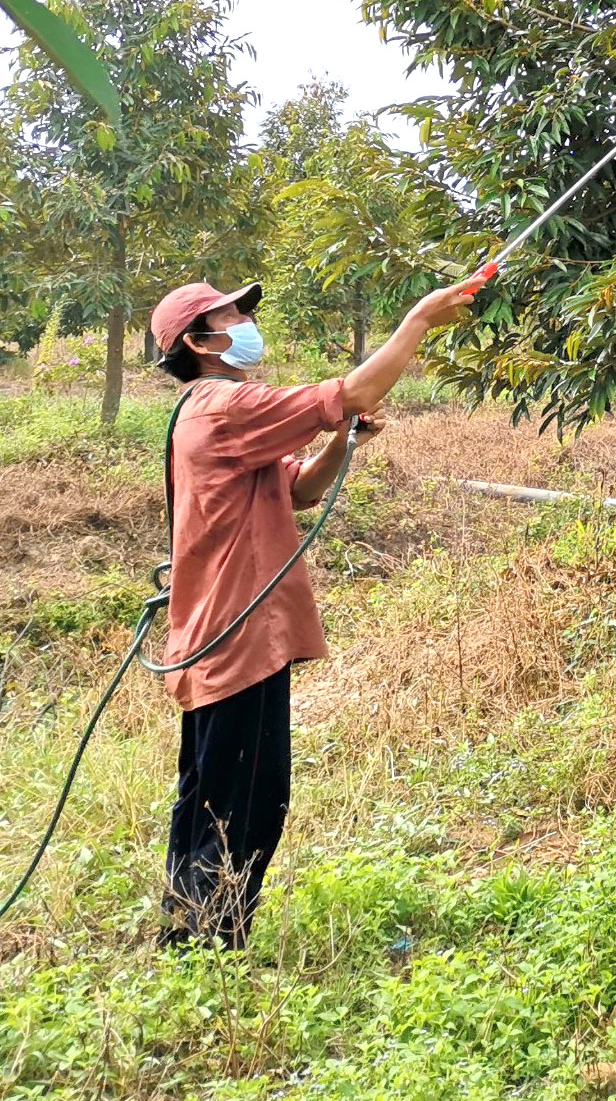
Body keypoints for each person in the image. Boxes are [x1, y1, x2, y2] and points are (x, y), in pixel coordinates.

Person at [146, 272, 480, 947]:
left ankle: (192, 936)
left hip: (232, 636)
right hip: (232, 641)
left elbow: (297, 491)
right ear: (198, 341)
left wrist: (341, 441)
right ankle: (206, 949)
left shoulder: (222, 406)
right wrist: (418, 317)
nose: (245, 323)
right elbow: (349, 391)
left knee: (218, 795)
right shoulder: (218, 405)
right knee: (242, 804)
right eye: (231, 315)